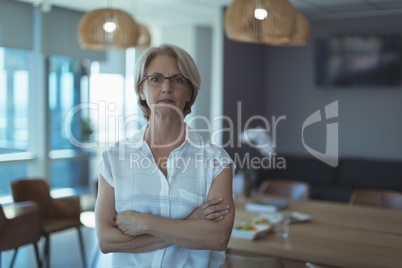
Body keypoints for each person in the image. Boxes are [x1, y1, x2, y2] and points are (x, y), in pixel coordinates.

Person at [95, 44, 235, 268]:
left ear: (190, 92)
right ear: (141, 89)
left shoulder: (216, 161)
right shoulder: (114, 159)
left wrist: (144, 223)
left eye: (178, 80)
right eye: (155, 79)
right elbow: (106, 240)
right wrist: (189, 224)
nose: (166, 87)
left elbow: (217, 238)